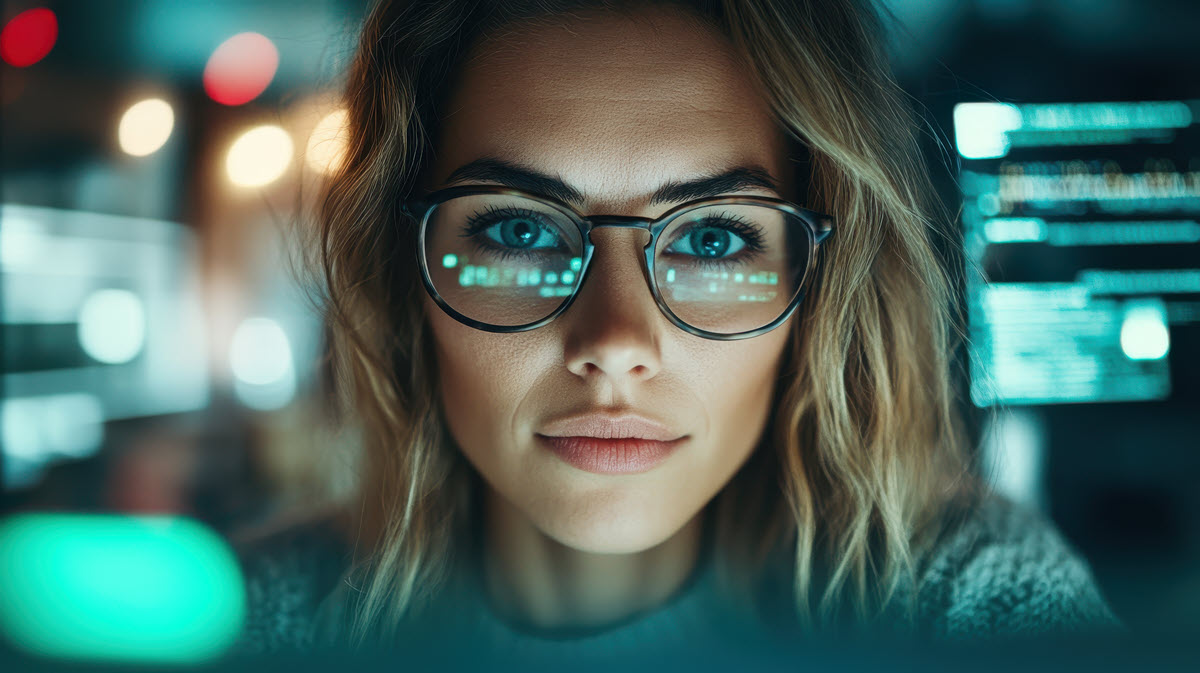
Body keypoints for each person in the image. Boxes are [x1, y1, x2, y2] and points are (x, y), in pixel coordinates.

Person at [234, 0, 1122, 661]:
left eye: (712, 236)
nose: (617, 340)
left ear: (824, 289)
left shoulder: (972, 603)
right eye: (517, 228)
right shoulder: (257, 622)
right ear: (403, 273)